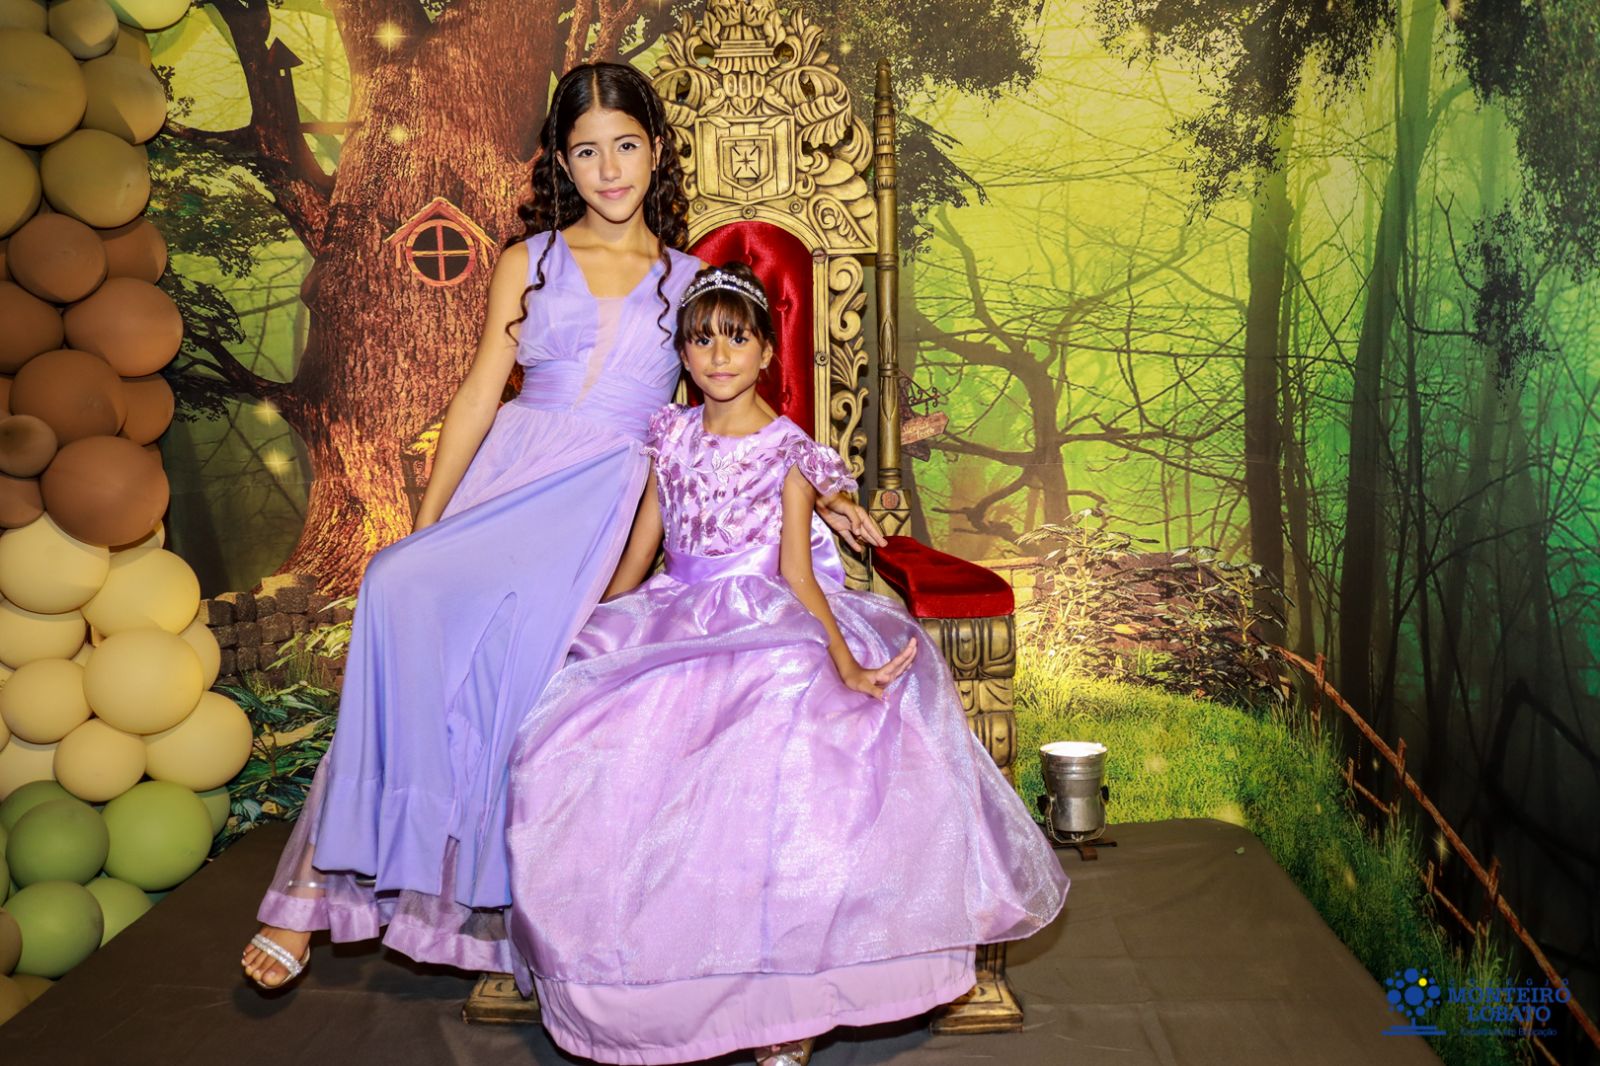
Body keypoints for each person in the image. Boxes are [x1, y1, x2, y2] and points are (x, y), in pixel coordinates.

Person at [241, 65, 883, 989]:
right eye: (586, 152)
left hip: (599, 495)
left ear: (655, 152)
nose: (608, 169)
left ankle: (499, 899)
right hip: (509, 470)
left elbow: (730, 416)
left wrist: (823, 493)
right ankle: (318, 877)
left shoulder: (688, 281)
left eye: (625, 146)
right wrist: (427, 525)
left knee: (513, 673)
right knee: (397, 585)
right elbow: (477, 394)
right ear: (562, 163)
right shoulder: (528, 260)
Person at [502, 263, 1070, 1065]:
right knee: (578, 734)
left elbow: (799, 575)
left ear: (768, 351)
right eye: (702, 340)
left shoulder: (787, 452)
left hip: (765, 613)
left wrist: (845, 663)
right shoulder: (669, 435)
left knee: (779, 733)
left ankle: (788, 1007)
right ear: (683, 353)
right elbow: (639, 551)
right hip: (672, 610)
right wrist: (590, 625)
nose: (718, 356)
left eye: (737, 340)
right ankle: (648, 986)